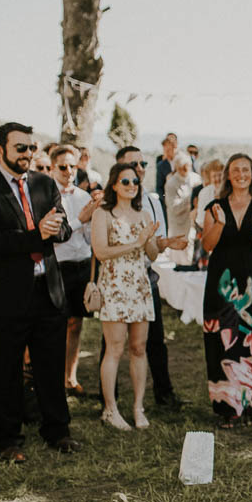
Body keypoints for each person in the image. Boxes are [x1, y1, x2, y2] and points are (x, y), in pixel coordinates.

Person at [0, 122, 79, 462]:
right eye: (20, 148)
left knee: (50, 366)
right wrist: (39, 234)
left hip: (48, 289)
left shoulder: (45, 183)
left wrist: (55, 231)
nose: (28, 154)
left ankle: (57, 431)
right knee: (6, 370)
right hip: (8, 294)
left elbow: (65, 229)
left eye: (31, 148)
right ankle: (7, 440)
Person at [201, 154, 252, 427]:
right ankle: (228, 408)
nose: (241, 174)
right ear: (228, 175)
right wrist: (220, 223)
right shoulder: (214, 208)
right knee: (224, 342)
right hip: (222, 286)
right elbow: (207, 245)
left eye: (246, 170)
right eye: (236, 170)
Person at [110, 146, 188, 408]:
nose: (140, 169)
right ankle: (108, 399)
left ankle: (164, 393)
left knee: (155, 340)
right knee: (112, 344)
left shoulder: (153, 200)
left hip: (146, 276)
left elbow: (155, 242)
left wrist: (168, 243)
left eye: (143, 163)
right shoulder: (108, 205)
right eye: (133, 164)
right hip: (117, 280)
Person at [92, 163, 159, 431]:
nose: (132, 185)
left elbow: (152, 254)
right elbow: (101, 252)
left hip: (140, 286)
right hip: (115, 286)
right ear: (115, 185)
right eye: (126, 181)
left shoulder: (143, 214)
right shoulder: (103, 214)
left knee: (139, 348)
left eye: (135, 182)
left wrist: (150, 240)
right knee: (115, 348)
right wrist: (136, 242)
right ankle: (110, 409)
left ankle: (138, 407)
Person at [51, 145, 100, 395]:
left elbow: (89, 237)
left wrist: (91, 221)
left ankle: (71, 377)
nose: (69, 171)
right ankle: (54, 378)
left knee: (76, 324)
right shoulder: (47, 196)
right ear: (52, 167)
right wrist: (80, 220)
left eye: (72, 166)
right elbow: (57, 236)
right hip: (58, 266)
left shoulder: (83, 196)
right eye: (63, 166)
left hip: (81, 264)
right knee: (58, 324)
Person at [164, 151, 201, 265]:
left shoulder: (196, 179)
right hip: (178, 226)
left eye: (188, 167)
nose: (186, 170)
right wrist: (190, 199)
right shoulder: (171, 183)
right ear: (177, 168)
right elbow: (174, 207)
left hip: (193, 225)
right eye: (183, 168)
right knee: (179, 260)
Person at [192, 159, 224, 267]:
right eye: (214, 176)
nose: (217, 179)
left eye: (220, 175)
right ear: (209, 178)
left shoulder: (230, 191)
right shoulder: (204, 193)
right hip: (208, 236)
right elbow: (200, 220)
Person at [155, 132, 178, 220]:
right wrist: (166, 200)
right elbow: (159, 187)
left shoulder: (181, 162)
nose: (167, 153)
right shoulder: (161, 165)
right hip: (167, 204)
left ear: (174, 147)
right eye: (165, 150)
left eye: (169, 150)